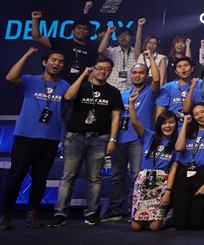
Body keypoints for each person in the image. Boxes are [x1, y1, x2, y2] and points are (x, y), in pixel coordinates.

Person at [0, 48, 69, 230]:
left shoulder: (65, 86)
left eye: (60, 61)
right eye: (53, 60)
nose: (56, 64)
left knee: (40, 179)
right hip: (25, 136)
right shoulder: (31, 81)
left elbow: (70, 103)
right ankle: (5, 215)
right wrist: (27, 55)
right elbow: (10, 77)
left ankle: (33, 214)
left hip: (50, 139)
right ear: (45, 62)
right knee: (15, 177)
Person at [51, 58, 124, 227]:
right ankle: (60, 212)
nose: (102, 72)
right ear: (93, 69)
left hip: (99, 138)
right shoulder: (82, 87)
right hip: (75, 137)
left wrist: (112, 139)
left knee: (95, 178)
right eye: (99, 68)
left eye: (106, 69)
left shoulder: (113, 92)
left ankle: (91, 212)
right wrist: (84, 75)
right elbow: (68, 96)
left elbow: (116, 117)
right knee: (68, 176)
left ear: (110, 71)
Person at [103, 53, 162, 223]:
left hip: (140, 140)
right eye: (135, 73)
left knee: (138, 176)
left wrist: (151, 58)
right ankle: (115, 209)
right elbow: (115, 118)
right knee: (117, 176)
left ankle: (134, 209)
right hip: (121, 139)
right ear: (131, 75)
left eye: (141, 73)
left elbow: (157, 80)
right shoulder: (123, 94)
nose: (137, 75)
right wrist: (112, 139)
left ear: (146, 75)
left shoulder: (150, 93)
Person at [127, 104, 178, 231]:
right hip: (143, 180)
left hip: (162, 181)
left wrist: (168, 192)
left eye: (171, 122)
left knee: (155, 227)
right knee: (136, 227)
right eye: (164, 123)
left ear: (176, 124)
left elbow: (173, 170)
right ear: (159, 125)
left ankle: (169, 218)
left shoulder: (177, 143)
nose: (167, 126)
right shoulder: (149, 136)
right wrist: (132, 104)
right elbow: (134, 122)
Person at [172, 103, 204, 230]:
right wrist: (185, 124)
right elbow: (179, 148)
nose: (200, 116)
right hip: (184, 174)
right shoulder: (187, 132)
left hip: (203, 174)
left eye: (203, 112)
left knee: (196, 225)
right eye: (196, 114)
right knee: (180, 225)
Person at [30, 11, 98, 82]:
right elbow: (37, 38)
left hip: (81, 84)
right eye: (79, 28)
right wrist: (35, 19)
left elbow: (93, 69)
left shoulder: (92, 49)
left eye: (85, 29)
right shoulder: (63, 43)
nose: (82, 31)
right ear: (73, 30)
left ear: (89, 32)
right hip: (60, 83)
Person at [97, 19, 145, 90]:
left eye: (126, 35)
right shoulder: (112, 51)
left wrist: (139, 26)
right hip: (112, 87)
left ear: (131, 37)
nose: (123, 37)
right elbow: (100, 50)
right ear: (116, 38)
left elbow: (138, 42)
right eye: (120, 35)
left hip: (129, 89)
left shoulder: (135, 52)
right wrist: (108, 32)